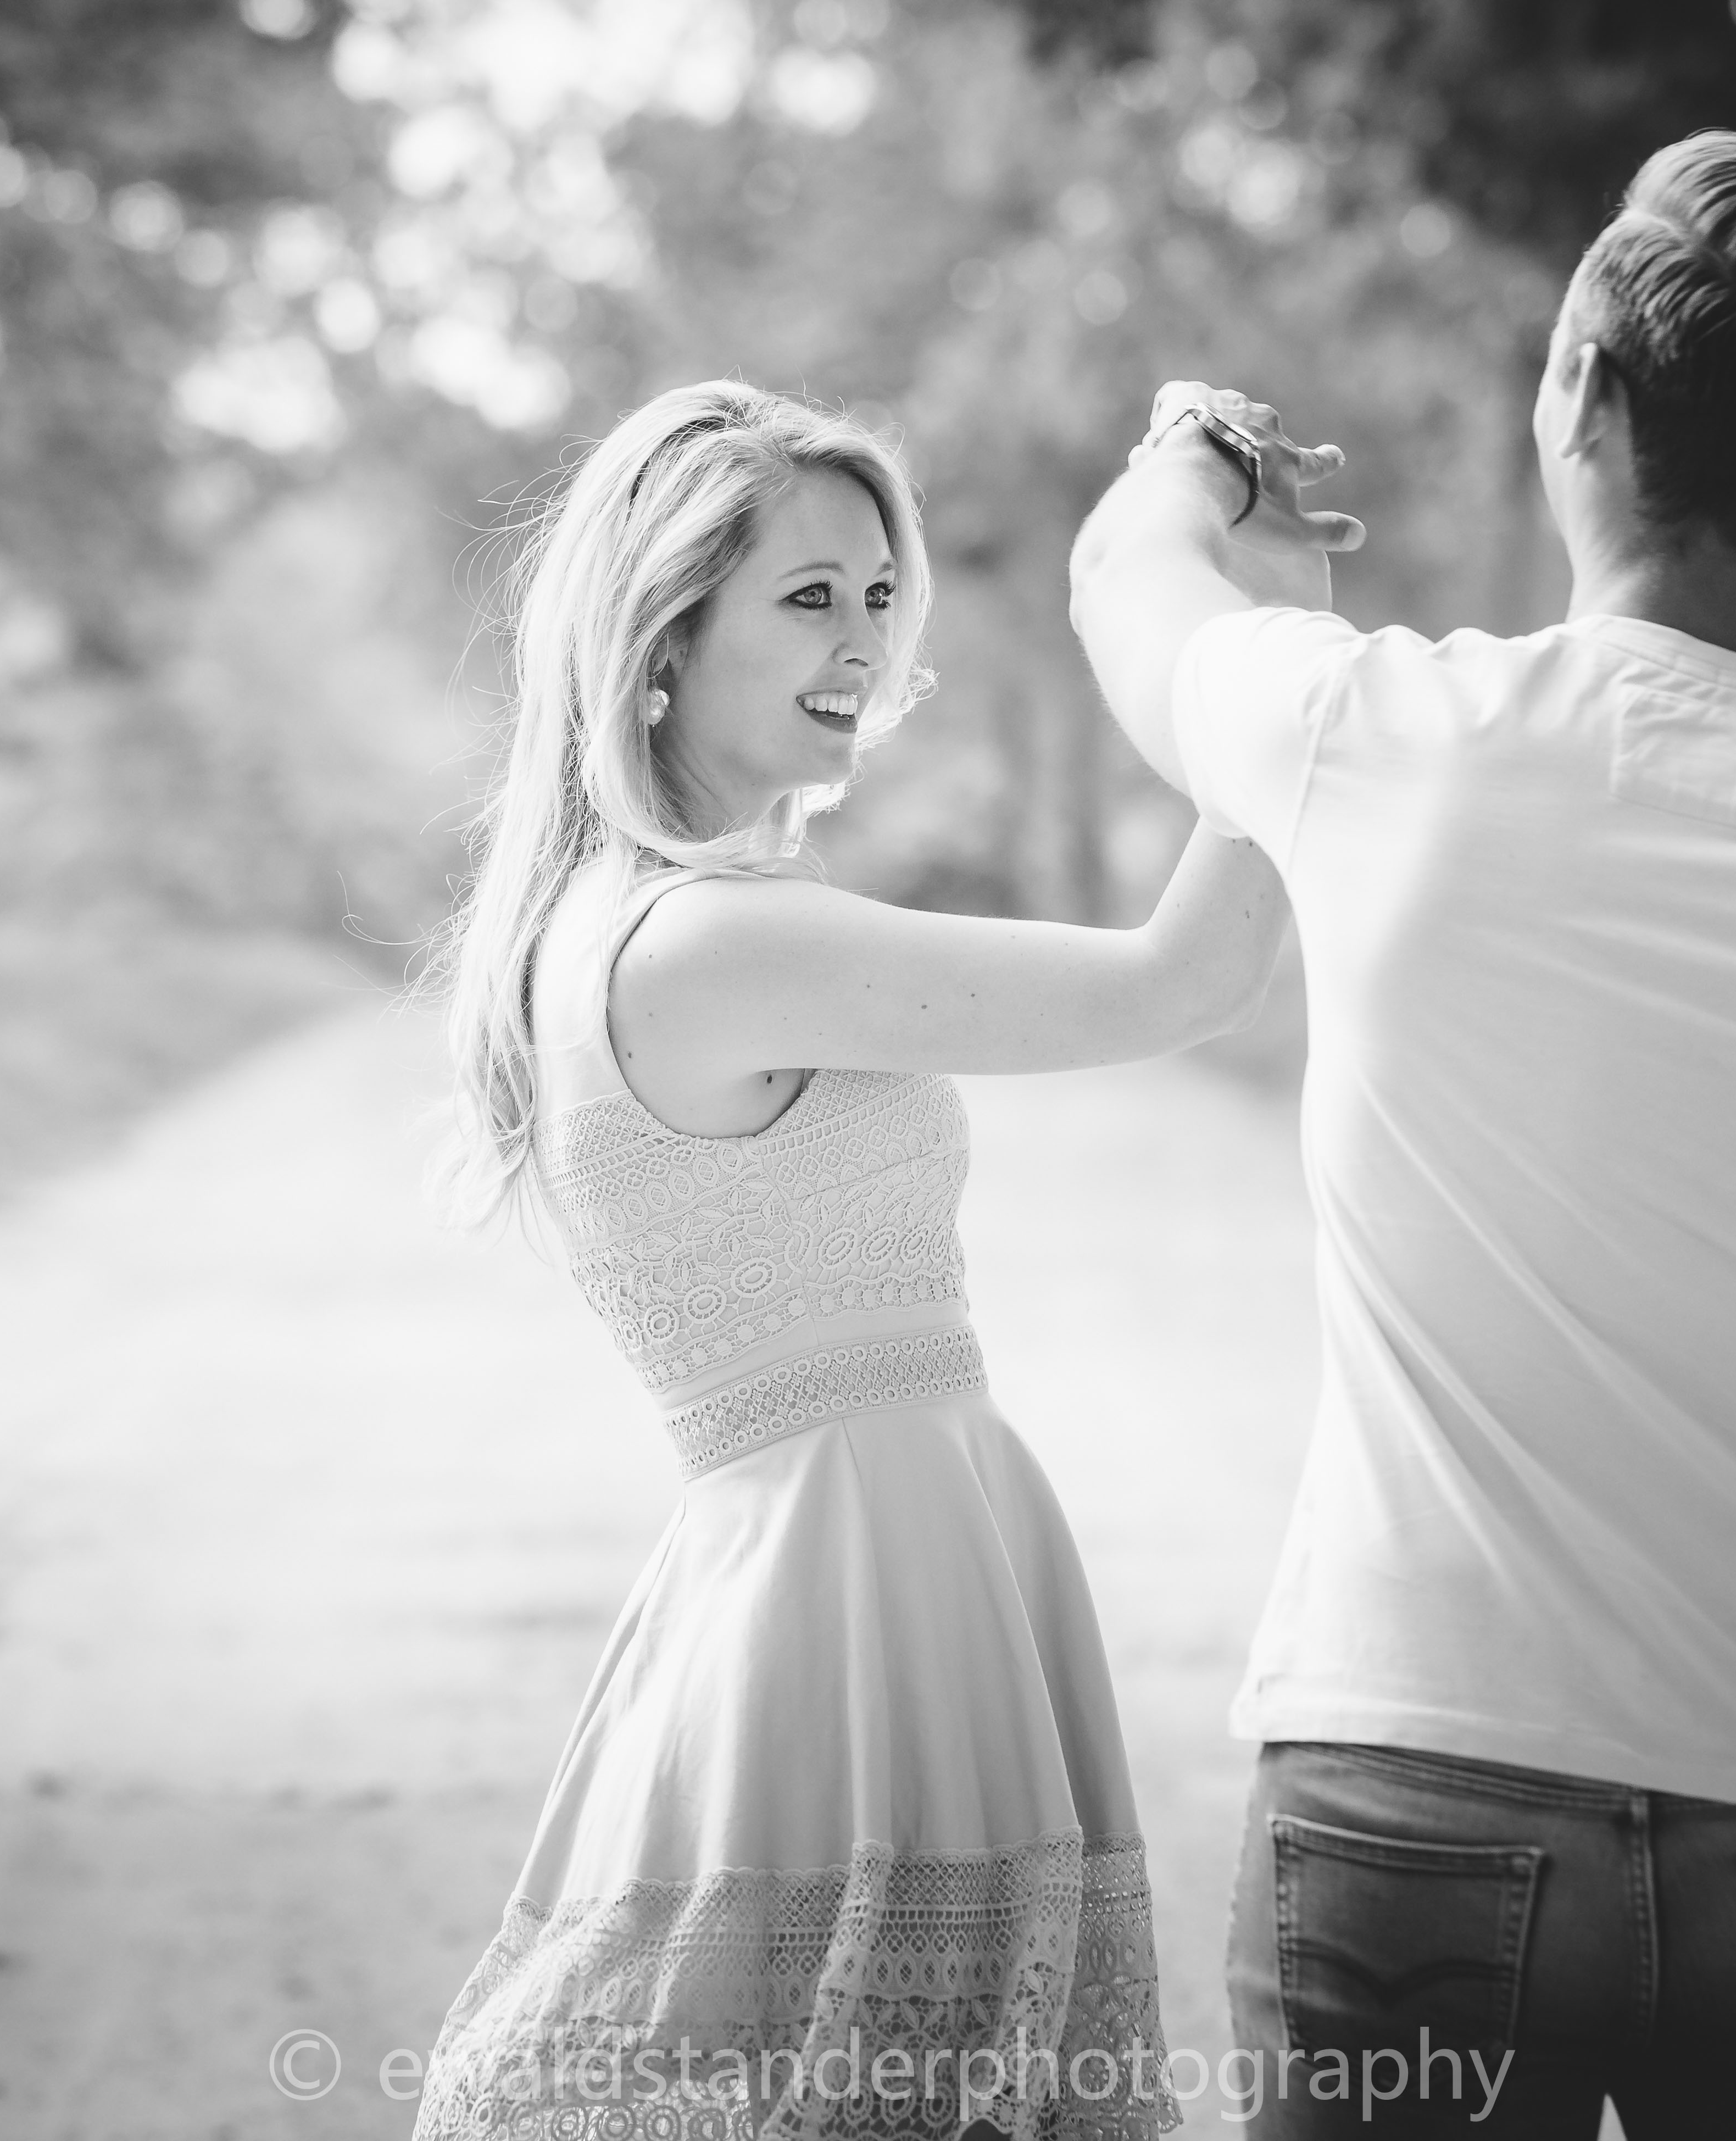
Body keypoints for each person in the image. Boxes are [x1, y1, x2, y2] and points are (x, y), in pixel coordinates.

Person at [1064, 134, 1736, 2138]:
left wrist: (1199, 449)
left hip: (1409, 1787)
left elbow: (1124, 581)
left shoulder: (1367, 736)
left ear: (1578, 384)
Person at [415, 380, 1328, 2141]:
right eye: (809, 595)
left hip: (828, 1557)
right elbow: (1185, 979)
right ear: (664, 639)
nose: (865, 641)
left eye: (882, 593)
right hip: (851, 1589)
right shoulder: (715, 941)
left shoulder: (631, 920)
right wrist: (1278, 656)